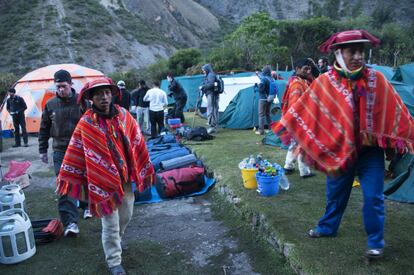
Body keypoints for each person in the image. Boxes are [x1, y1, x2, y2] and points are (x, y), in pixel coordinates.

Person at [272, 30, 414, 259]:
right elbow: (306, 109)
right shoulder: (325, 83)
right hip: (339, 152)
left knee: (374, 197)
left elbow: (395, 110)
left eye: (361, 51)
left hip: (370, 153)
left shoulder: (376, 80)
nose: (358, 56)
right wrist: (291, 125)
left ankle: (375, 243)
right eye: (352, 51)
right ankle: (327, 228)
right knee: (335, 195)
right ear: (339, 53)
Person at [56, 77, 155, 275]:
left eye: (108, 92)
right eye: (99, 93)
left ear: (112, 94)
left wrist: (139, 165)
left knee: (127, 214)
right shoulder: (86, 124)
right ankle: (114, 262)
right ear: (91, 98)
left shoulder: (124, 115)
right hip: (102, 182)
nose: (104, 96)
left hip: (125, 178)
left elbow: (136, 140)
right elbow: (76, 151)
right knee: (110, 222)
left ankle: (117, 240)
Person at [38, 69, 90, 237]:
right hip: (60, 150)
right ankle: (70, 223)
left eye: (63, 86)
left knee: (84, 179)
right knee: (64, 184)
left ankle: (86, 205)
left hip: (80, 149)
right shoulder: (50, 104)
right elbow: (44, 127)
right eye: (58, 87)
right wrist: (42, 150)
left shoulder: (82, 102)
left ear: (71, 84)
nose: (60, 90)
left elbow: (91, 125)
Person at [281, 59, 314, 178]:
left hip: (297, 119)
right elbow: (295, 105)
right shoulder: (297, 84)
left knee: (294, 144)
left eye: (309, 68)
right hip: (299, 120)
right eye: (305, 68)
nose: (308, 71)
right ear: (297, 69)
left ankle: (288, 166)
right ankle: (304, 171)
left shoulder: (302, 81)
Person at [256, 65, 277, 135]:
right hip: (269, 99)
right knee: (267, 114)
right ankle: (271, 129)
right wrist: (257, 75)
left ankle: (261, 130)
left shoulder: (263, 79)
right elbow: (262, 78)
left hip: (263, 99)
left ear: (264, 71)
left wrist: (257, 86)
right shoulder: (271, 78)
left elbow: (261, 89)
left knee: (261, 114)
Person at [200, 64, 219, 134]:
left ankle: (212, 126)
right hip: (211, 94)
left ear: (207, 69)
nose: (203, 71)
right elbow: (207, 83)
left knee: (211, 110)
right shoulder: (209, 75)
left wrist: (203, 87)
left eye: (204, 70)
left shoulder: (211, 75)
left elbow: (211, 84)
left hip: (212, 95)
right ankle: (214, 126)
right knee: (213, 109)